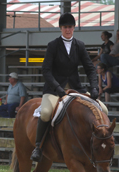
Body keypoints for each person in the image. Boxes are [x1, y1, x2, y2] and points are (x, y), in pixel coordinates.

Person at [31, 13, 106, 162]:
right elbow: (46, 70)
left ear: (74, 28)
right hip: (54, 89)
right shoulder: (53, 45)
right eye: (65, 27)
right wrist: (58, 87)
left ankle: (97, 146)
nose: (68, 30)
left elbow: (90, 69)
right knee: (45, 113)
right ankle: (38, 147)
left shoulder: (80, 45)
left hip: (75, 88)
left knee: (103, 109)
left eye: (70, 27)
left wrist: (94, 88)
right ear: (60, 28)